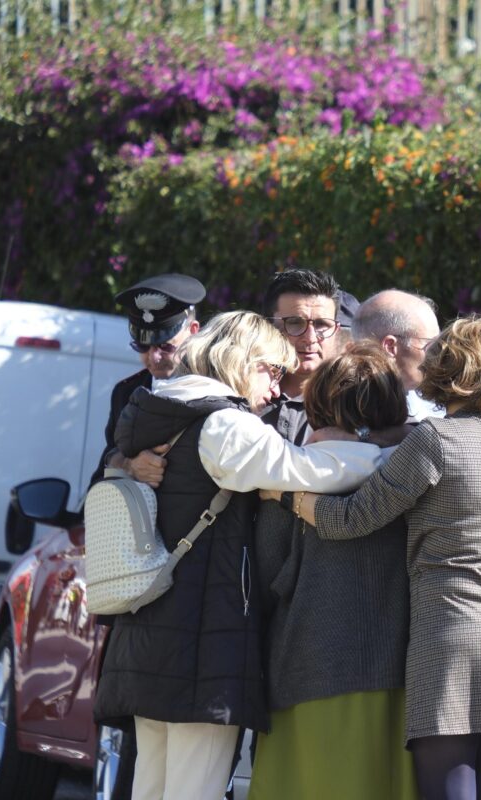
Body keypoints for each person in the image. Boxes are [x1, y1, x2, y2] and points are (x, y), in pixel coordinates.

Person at [93, 310, 385, 800]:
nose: (275, 390)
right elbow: (309, 470)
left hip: (150, 625)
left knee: (151, 785)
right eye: (271, 372)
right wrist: (397, 455)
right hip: (202, 635)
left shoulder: (159, 406)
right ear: (240, 360)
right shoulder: (223, 424)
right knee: (195, 789)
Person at [268, 316, 481, 800]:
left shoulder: (435, 441)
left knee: (450, 789)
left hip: (452, 636)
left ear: (453, 371)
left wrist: (284, 497)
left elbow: (351, 519)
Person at [249, 342, 417, 800]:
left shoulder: (289, 478)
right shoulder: (418, 471)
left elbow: (266, 572)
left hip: (307, 661)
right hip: (399, 670)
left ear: (319, 405)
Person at [90, 273, 205, 487]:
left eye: (166, 346)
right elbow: (101, 477)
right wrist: (129, 466)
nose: (153, 358)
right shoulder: (126, 392)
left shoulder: (216, 388)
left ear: (193, 331)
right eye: (142, 346)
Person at [261, 268, 344, 445]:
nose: (310, 338)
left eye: (322, 325)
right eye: (295, 323)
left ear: (336, 331)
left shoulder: (357, 401)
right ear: (269, 327)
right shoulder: (239, 395)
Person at [351, 289, 442, 422]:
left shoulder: (434, 406)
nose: (438, 354)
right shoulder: (339, 412)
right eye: (430, 345)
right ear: (390, 347)